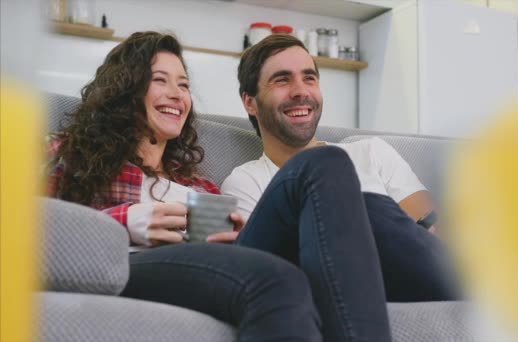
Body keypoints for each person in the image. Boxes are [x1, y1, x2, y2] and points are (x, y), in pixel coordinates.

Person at [47, 31, 392, 341]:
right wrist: (124, 222)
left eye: (183, 85)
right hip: (130, 263)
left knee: (326, 165)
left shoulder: (199, 183)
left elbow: (226, 255)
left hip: (211, 264)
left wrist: (240, 232)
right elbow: (27, 224)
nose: (176, 94)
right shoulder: (70, 152)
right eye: (160, 80)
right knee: (276, 278)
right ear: (124, 89)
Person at [221, 33, 460, 302]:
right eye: (282, 79)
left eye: (309, 78)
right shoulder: (245, 181)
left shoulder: (372, 152)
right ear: (249, 101)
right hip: (346, 287)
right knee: (362, 206)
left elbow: (432, 230)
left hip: (427, 273)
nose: (301, 91)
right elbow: (268, 270)